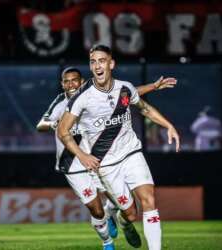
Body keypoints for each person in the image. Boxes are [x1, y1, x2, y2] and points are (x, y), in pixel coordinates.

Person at [38, 65, 177, 250]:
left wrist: (152, 86)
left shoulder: (91, 94)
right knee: (96, 209)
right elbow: (41, 124)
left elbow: (127, 94)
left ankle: (116, 216)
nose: (71, 84)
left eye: (74, 80)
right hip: (73, 163)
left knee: (122, 205)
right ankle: (107, 242)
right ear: (62, 84)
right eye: (66, 81)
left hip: (96, 158)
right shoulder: (61, 103)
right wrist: (55, 123)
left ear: (81, 82)